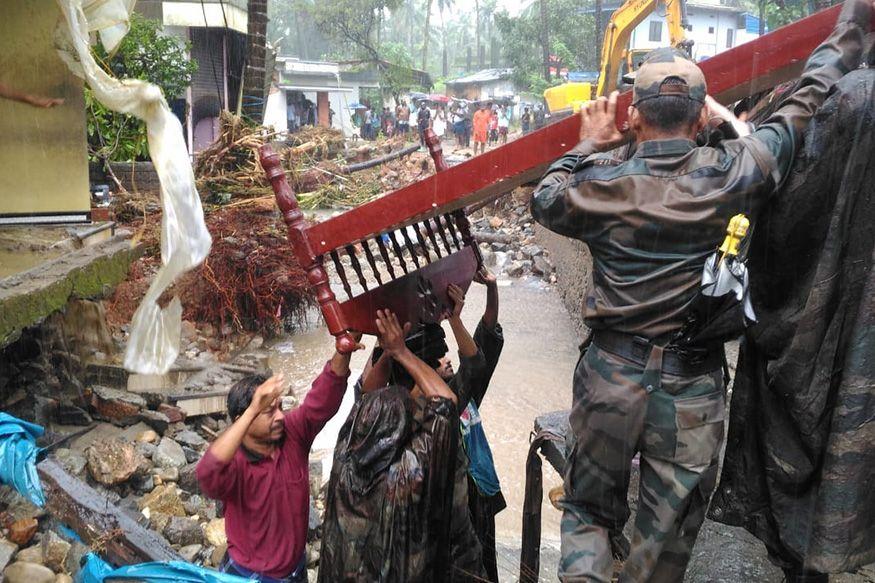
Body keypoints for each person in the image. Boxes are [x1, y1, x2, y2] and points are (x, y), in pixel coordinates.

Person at [529, 0, 872, 578]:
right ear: (699, 117)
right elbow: (807, 100)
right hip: (691, 388)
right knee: (666, 536)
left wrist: (588, 143)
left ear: (634, 118)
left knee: (588, 511)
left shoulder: (598, 187)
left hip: (610, 375)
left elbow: (545, 196)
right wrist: (853, 25)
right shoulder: (738, 171)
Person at [319, 309, 485, 582]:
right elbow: (445, 404)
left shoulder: (347, 454)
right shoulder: (405, 475)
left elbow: (366, 397)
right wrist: (400, 351)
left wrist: (387, 350)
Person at [197, 334, 363, 582]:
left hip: (295, 571)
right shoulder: (234, 464)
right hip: (247, 575)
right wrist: (254, 407)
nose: (280, 417)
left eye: (280, 407)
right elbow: (207, 473)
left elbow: (323, 399)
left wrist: (343, 348)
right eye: (268, 412)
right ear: (243, 419)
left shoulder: (293, 434)